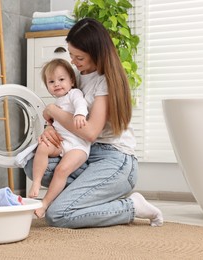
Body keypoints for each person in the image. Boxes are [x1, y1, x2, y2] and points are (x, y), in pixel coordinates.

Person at [24, 18, 163, 228]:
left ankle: (132, 206)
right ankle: (92, 197)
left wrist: (51, 110)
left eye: (79, 57)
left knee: (58, 215)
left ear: (97, 53)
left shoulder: (105, 81)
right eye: (71, 55)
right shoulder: (77, 76)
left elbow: (89, 132)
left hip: (115, 159)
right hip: (85, 151)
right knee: (31, 164)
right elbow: (67, 111)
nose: (73, 61)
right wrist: (50, 129)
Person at [29, 58, 91, 218]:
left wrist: (79, 114)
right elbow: (51, 122)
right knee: (42, 147)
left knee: (61, 170)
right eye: (51, 81)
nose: (56, 84)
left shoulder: (74, 93)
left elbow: (81, 104)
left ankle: (45, 203)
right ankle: (36, 181)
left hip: (78, 146)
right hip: (61, 143)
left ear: (71, 81)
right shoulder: (57, 102)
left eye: (61, 79)